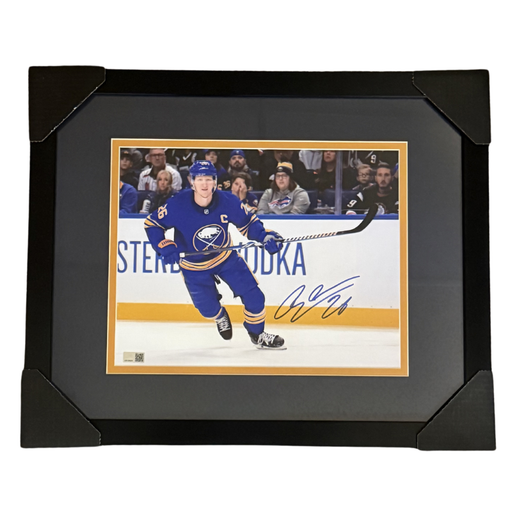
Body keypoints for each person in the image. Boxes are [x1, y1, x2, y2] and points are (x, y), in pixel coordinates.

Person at [144, 160, 285, 349]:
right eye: (199, 179)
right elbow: (152, 224)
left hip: (225, 259)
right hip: (194, 267)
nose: (204, 184)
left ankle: (257, 334)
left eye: (209, 179)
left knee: (255, 298)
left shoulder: (228, 201)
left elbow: (248, 222)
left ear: (215, 181)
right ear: (191, 181)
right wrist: (164, 246)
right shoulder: (178, 204)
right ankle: (219, 316)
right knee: (207, 309)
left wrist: (264, 236)